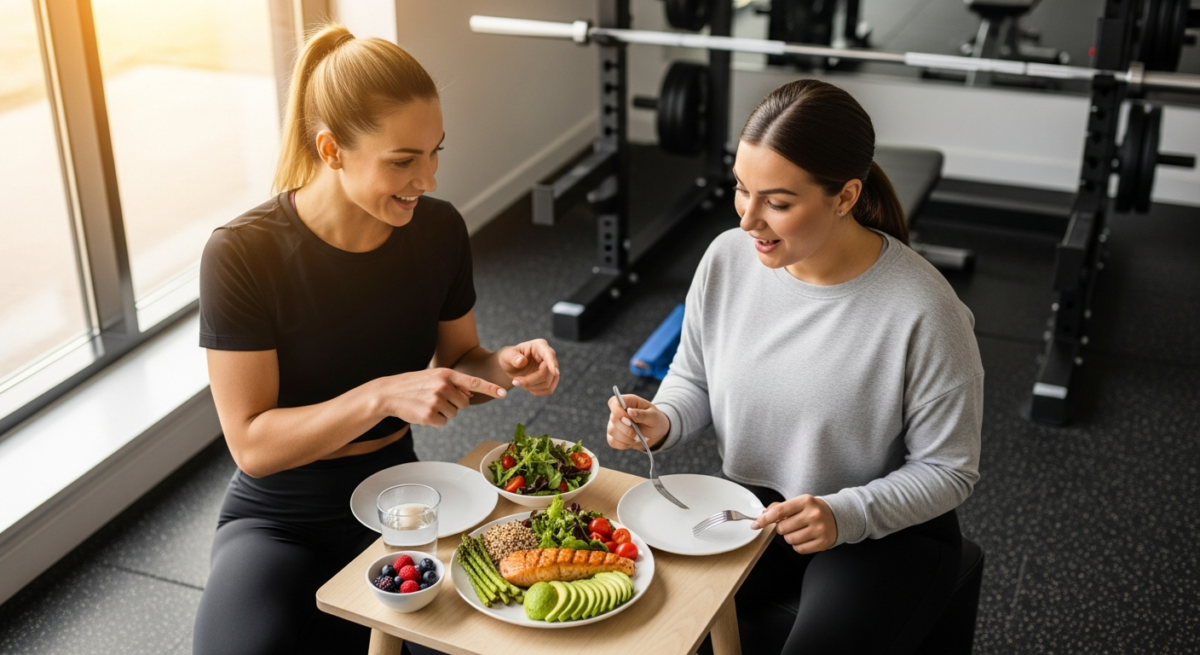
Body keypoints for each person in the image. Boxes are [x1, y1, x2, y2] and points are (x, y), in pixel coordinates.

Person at [193, 24, 560, 655]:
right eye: (403, 161)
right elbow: (251, 444)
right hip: (279, 514)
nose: (431, 179)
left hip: (405, 500)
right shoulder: (242, 253)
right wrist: (383, 394)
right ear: (332, 149)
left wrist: (502, 364)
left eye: (435, 151)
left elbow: (459, 366)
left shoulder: (439, 230)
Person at [605, 79, 983, 654]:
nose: (748, 220)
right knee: (649, 625)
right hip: (757, 509)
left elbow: (949, 469)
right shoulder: (728, 258)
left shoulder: (925, 311)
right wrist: (663, 418)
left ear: (846, 196)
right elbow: (695, 374)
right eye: (741, 190)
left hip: (882, 532)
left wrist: (843, 513)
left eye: (777, 203)